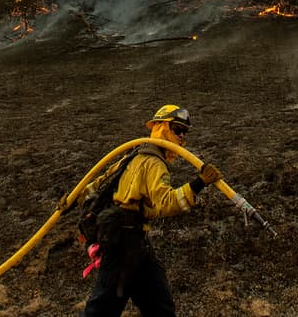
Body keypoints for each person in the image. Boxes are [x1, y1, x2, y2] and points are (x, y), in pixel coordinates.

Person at [83, 104, 222, 317]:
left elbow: (98, 185)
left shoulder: (135, 154)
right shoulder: (153, 163)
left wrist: (73, 200)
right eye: (177, 130)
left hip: (137, 245)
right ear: (161, 127)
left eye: (185, 132)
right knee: (101, 312)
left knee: (160, 308)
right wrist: (199, 183)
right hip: (122, 248)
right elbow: (165, 203)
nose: (182, 137)